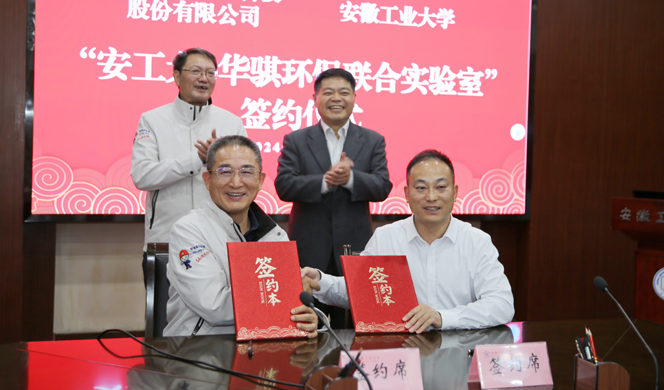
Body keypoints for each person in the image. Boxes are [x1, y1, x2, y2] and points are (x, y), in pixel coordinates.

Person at [302, 149, 514, 331]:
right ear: (406, 193)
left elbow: (502, 304)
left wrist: (442, 318)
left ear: (455, 192)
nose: (431, 197)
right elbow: (358, 291)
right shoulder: (386, 238)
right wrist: (320, 280)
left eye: (441, 187)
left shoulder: (477, 242)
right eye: (421, 188)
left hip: (458, 351)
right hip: (401, 352)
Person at [164, 135, 318, 337]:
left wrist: (305, 320)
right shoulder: (189, 230)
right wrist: (288, 288)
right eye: (225, 172)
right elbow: (215, 307)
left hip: (262, 345)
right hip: (199, 347)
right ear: (208, 180)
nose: (236, 183)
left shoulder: (275, 235)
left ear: (260, 180)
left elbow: (286, 309)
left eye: (246, 172)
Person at [275, 68, 393, 326]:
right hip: (308, 249)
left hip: (355, 248)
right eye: (328, 92)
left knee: (353, 326)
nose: (336, 98)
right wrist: (325, 182)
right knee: (304, 326)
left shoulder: (372, 140)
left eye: (344, 92)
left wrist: (350, 179)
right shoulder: (296, 140)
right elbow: (283, 186)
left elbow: (383, 186)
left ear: (354, 98)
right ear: (315, 98)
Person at [131, 48, 246, 281]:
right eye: (196, 71)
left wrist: (222, 165)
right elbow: (142, 176)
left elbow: (244, 180)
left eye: (210, 73)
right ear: (176, 76)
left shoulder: (231, 122)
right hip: (166, 239)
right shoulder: (152, 120)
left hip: (220, 241)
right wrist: (196, 160)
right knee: (164, 304)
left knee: (222, 304)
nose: (204, 78)